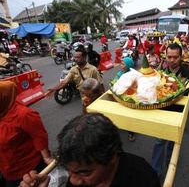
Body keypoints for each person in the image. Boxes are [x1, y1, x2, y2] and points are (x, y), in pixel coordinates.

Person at [20, 113, 160, 187]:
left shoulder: (142, 178)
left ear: (112, 157)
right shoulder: (79, 177)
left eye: (85, 172)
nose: (73, 181)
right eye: (70, 171)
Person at [151, 43, 189, 177]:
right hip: (162, 112)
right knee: (159, 142)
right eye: (169, 57)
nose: (171, 60)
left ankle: (170, 159)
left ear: (181, 57)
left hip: (178, 114)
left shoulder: (188, 74)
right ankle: (156, 173)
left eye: (175, 57)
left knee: (173, 141)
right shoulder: (160, 72)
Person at [0, 81, 52, 187]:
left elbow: (39, 136)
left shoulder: (24, 114)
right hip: (7, 170)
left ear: (4, 96)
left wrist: (46, 157)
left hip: (28, 171)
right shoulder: (1, 113)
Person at [113, 57, 136, 142]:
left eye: (123, 64)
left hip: (130, 98)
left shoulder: (133, 74)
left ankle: (131, 132)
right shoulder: (120, 73)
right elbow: (115, 82)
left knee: (128, 116)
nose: (121, 65)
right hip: (120, 97)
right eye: (121, 63)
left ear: (129, 65)